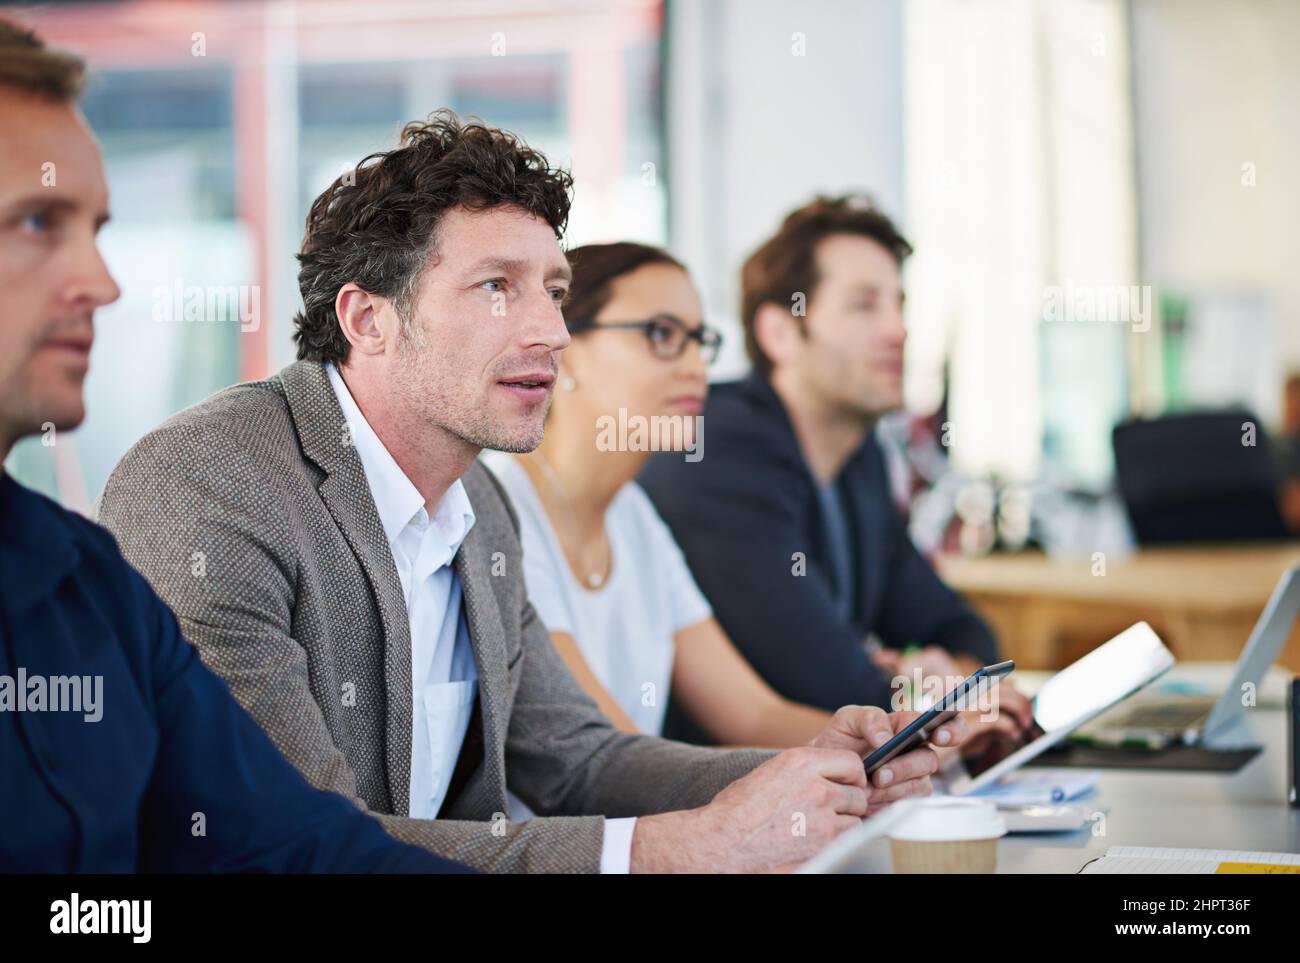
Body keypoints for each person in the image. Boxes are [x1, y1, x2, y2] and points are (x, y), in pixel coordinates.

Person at [97, 114, 971, 873]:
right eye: (495, 288)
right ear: (369, 319)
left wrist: (810, 768)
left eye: (553, 292)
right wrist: (676, 849)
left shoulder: (479, 500)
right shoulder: (209, 483)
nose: (552, 332)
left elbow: (575, 760)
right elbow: (287, 842)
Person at [0, 19, 467, 873]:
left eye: (96, 230)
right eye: (37, 222)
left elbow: (291, 840)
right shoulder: (199, 482)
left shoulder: (86, 582)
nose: (102, 283)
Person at [483, 242, 1011, 756]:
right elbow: (608, 760)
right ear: (563, 346)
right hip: (569, 839)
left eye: (699, 340)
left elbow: (752, 716)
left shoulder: (633, 518)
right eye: (661, 335)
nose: (695, 367)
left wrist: (894, 739)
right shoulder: (501, 511)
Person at [640, 196, 1034, 740]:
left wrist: (947, 677)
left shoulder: (860, 455)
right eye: (863, 306)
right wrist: (926, 685)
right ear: (780, 332)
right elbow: (824, 684)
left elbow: (955, 624)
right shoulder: (716, 452)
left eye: (899, 303)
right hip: (719, 799)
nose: (898, 330)